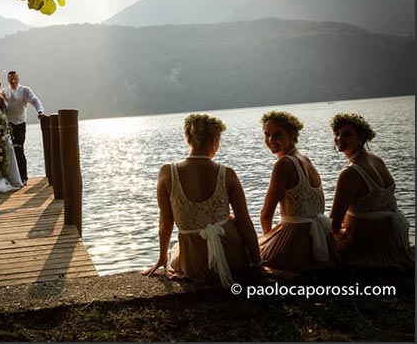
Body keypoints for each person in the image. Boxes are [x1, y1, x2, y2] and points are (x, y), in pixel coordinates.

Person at [141, 113, 263, 287]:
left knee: (179, 249)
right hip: (231, 257)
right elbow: (245, 223)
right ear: (215, 140)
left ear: (187, 138)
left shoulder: (167, 172)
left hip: (193, 262)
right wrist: (257, 263)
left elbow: (165, 223)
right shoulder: (227, 173)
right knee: (233, 221)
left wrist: (162, 257)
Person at [329, 113, 413, 269]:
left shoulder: (350, 173)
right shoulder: (377, 160)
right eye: (337, 133)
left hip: (370, 241)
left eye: (347, 134)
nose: (339, 138)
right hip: (392, 239)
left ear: (361, 137)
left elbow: (334, 223)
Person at [258, 110, 336, 271]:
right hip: (319, 237)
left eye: (278, 134)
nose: (271, 140)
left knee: (250, 253)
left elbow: (266, 214)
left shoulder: (284, 164)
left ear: (292, 134)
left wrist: (270, 240)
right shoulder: (306, 160)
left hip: (296, 239)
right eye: (267, 134)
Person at [1, 70, 46, 185]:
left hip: (20, 124)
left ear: (18, 79)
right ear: (8, 80)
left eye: (15, 78)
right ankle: (12, 177)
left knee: (19, 148)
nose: (13, 81)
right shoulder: (4, 92)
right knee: (10, 151)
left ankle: (23, 177)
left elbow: (35, 100)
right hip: (9, 125)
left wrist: (40, 111)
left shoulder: (25, 90)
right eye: (11, 79)